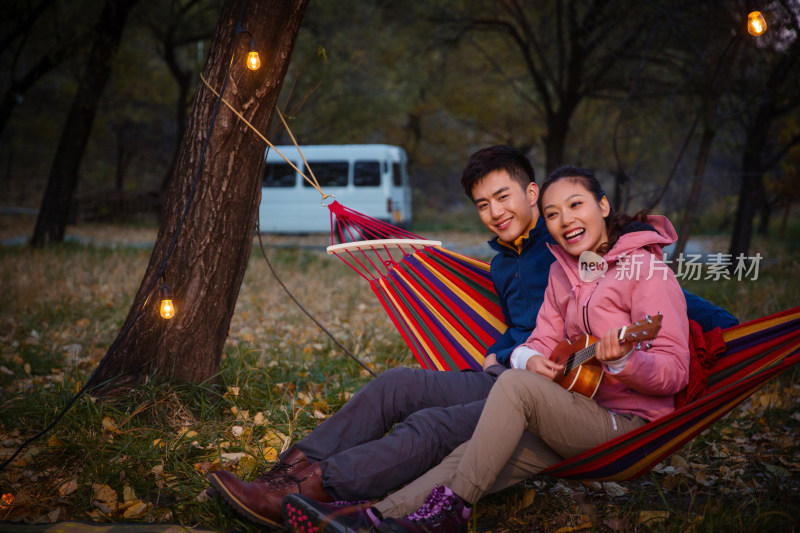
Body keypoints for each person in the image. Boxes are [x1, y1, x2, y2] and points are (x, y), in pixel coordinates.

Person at [209, 150, 736, 528]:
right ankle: (306, 482)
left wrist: (735, 331)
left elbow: (669, 308)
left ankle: (320, 489)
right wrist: (513, 353)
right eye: (483, 204)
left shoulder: (612, 261)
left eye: (505, 197)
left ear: (596, 204)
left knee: (437, 424)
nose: (561, 221)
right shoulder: (531, 264)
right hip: (530, 379)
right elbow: (538, 332)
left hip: (577, 400)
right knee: (396, 384)